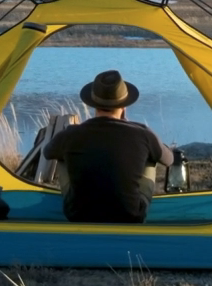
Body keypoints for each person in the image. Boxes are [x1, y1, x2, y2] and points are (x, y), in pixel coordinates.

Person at [43, 70, 174, 223]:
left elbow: (47, 152)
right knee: (151, 157)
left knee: (61, 155)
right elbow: (169, 159)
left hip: (78, 215)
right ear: (124, 107)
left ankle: (79, 200)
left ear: (93, 105)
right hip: (130, 216)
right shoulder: (143, 133)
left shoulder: (70, 134)